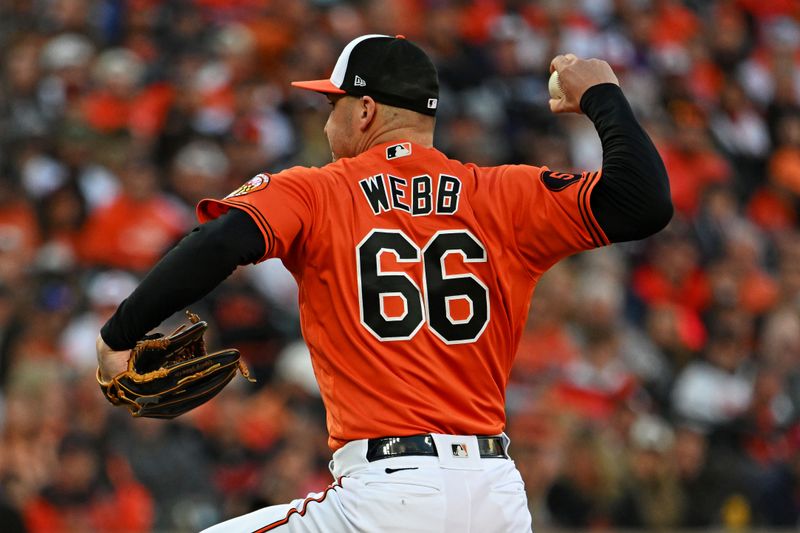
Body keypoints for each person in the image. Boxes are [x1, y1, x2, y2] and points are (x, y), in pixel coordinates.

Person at [96, 34, 672, 532]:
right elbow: (643, 204)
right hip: (495, 491)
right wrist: (602, 95)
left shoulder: (319, 190)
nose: (326, 120)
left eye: (333, 103)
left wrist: (120, 334)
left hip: (386, 492)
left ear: (365, 110)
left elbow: (222, 242)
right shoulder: (504, 194)